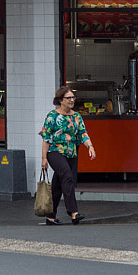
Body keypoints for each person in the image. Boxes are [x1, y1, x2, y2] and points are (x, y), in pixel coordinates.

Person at [39, 85, 95, 225]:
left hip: (71, 153)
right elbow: (46, 138)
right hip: (55, 152)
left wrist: (90, 146)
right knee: (68, 177)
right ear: (60, 100)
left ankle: (50, 217)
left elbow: (83, 133)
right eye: (68, 98)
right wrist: (44, 158)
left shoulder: (76, 116)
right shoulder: (52, 116)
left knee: (58, 185)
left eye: (73, 97)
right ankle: (73, 212)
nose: (71, 100)